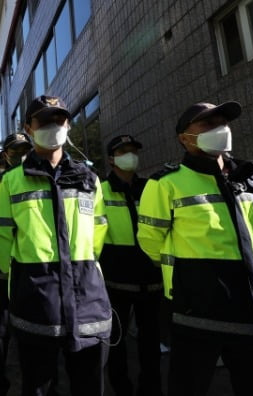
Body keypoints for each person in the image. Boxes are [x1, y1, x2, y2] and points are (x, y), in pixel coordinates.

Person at [137, 101, 253, 396]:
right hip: (196, 313)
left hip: (252, 310)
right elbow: (151, 241)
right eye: (207, 125)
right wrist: (188, 281)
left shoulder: (251, 180)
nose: (219, 130)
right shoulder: (166, 183)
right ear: (185, 137)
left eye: (222, 123)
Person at [0, 95, 111, 396]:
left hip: (88, 302)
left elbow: (98, 232)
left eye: (58, 120)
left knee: (89, 385)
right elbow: (1, 240)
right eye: (43, 121)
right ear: (29, 129)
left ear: (68, 125)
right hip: (36, 304)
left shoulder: (88, 178)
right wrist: (22, 283)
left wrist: (86, 270)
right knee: (38, 386)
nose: (52, 126)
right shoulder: (12, 181)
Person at [100, 135, 163, 396]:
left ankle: (151, 389)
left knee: (151, 343)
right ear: (112, 158)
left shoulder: (151, 187)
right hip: (116, 280)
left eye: (134, 150)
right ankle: (122, 388)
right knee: (117, 340)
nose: (131, 155)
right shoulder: (99, 190)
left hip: (152, 278)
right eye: (124, 151)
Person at [0, 133, 32, 396]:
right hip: (1, 268)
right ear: (5, 155)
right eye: (15, 151)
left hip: (30, 269)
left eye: (25, 150)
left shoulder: (37, 181)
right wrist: (5, 257)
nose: (21, 155)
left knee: (31, 327)